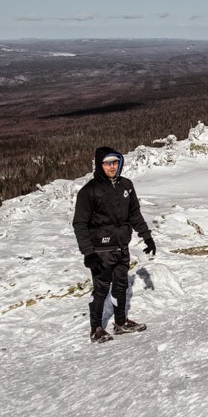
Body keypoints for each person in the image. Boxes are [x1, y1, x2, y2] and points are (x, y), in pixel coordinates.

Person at [73, 146, 157, 343]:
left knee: (120, 286)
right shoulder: (89, 191)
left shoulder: (126, 186)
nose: (112, 166)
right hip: (101, 251)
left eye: (115, 162)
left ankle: (120, 323)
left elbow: (134, 214)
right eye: (108, 163)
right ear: (99, 165)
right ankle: (96, 329)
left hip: (121, 246)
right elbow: (80, 223)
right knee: (101, 290)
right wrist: (88, 252)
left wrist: (147, 237)